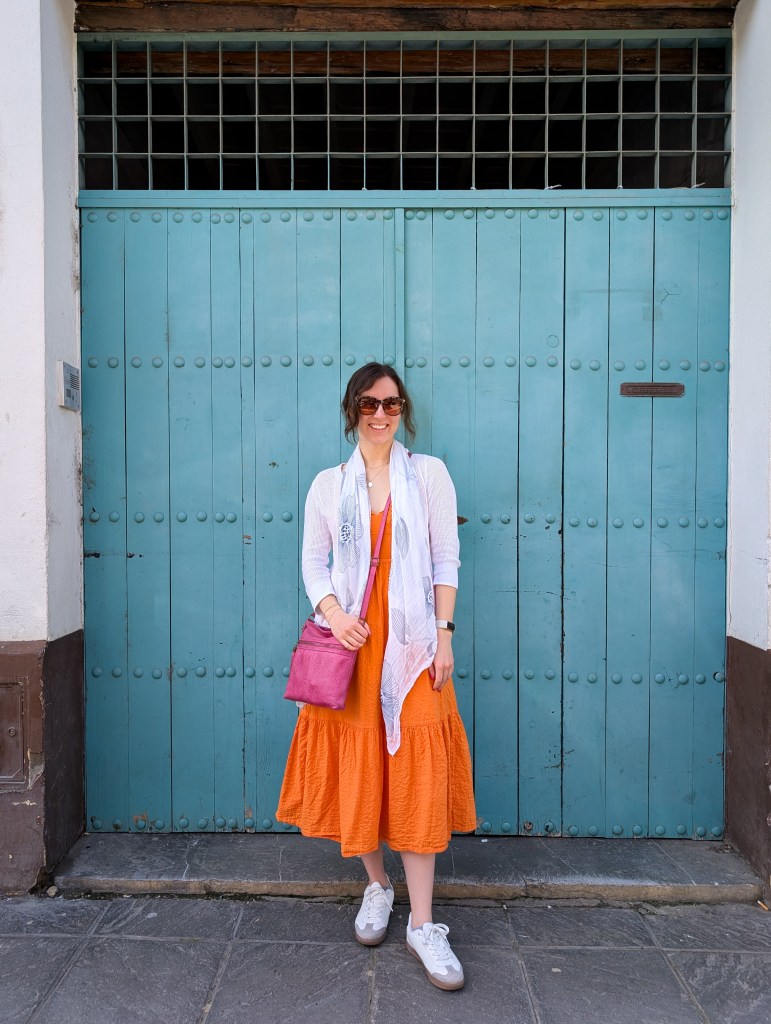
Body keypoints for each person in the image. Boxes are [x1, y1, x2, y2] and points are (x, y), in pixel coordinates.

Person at [277, 363, 477, 991]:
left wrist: (444, 636)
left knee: (415, 775)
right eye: (368, 404)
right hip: (352, 653)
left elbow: (446, 557)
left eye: (391, 403)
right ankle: (377, 885)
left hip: (414, 651)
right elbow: (313, 562)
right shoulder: (327, 485)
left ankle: (422, 924)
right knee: (359, 770)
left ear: (403, 409)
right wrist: (334, 615)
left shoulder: (429, 476)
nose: (381, 414)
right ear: (352, 411)